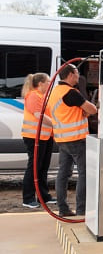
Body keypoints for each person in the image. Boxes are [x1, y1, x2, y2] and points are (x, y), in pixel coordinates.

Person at [47, 64, 97, 217]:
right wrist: (86, 111)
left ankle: (63, 209)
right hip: (76, 139)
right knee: (84, 173)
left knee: (63, 174)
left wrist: (83, 112)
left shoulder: (55, 92)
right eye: (76, 73)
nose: (78, 76)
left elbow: (67, 113)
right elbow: (93, 109)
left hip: (62, 139)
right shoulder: (71, 93)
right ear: (69, 75)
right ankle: (81, 210)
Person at [21, 73, 56, 208]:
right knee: (34, 167)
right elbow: (39, 116)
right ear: (41, 83)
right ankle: (28, 198)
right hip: (34, 137)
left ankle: (43, 196)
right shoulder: (33, 96)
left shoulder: (42, 96)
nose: (49, 84)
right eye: (48, 82)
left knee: (43, 167)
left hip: (44, 137)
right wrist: (57, 125)